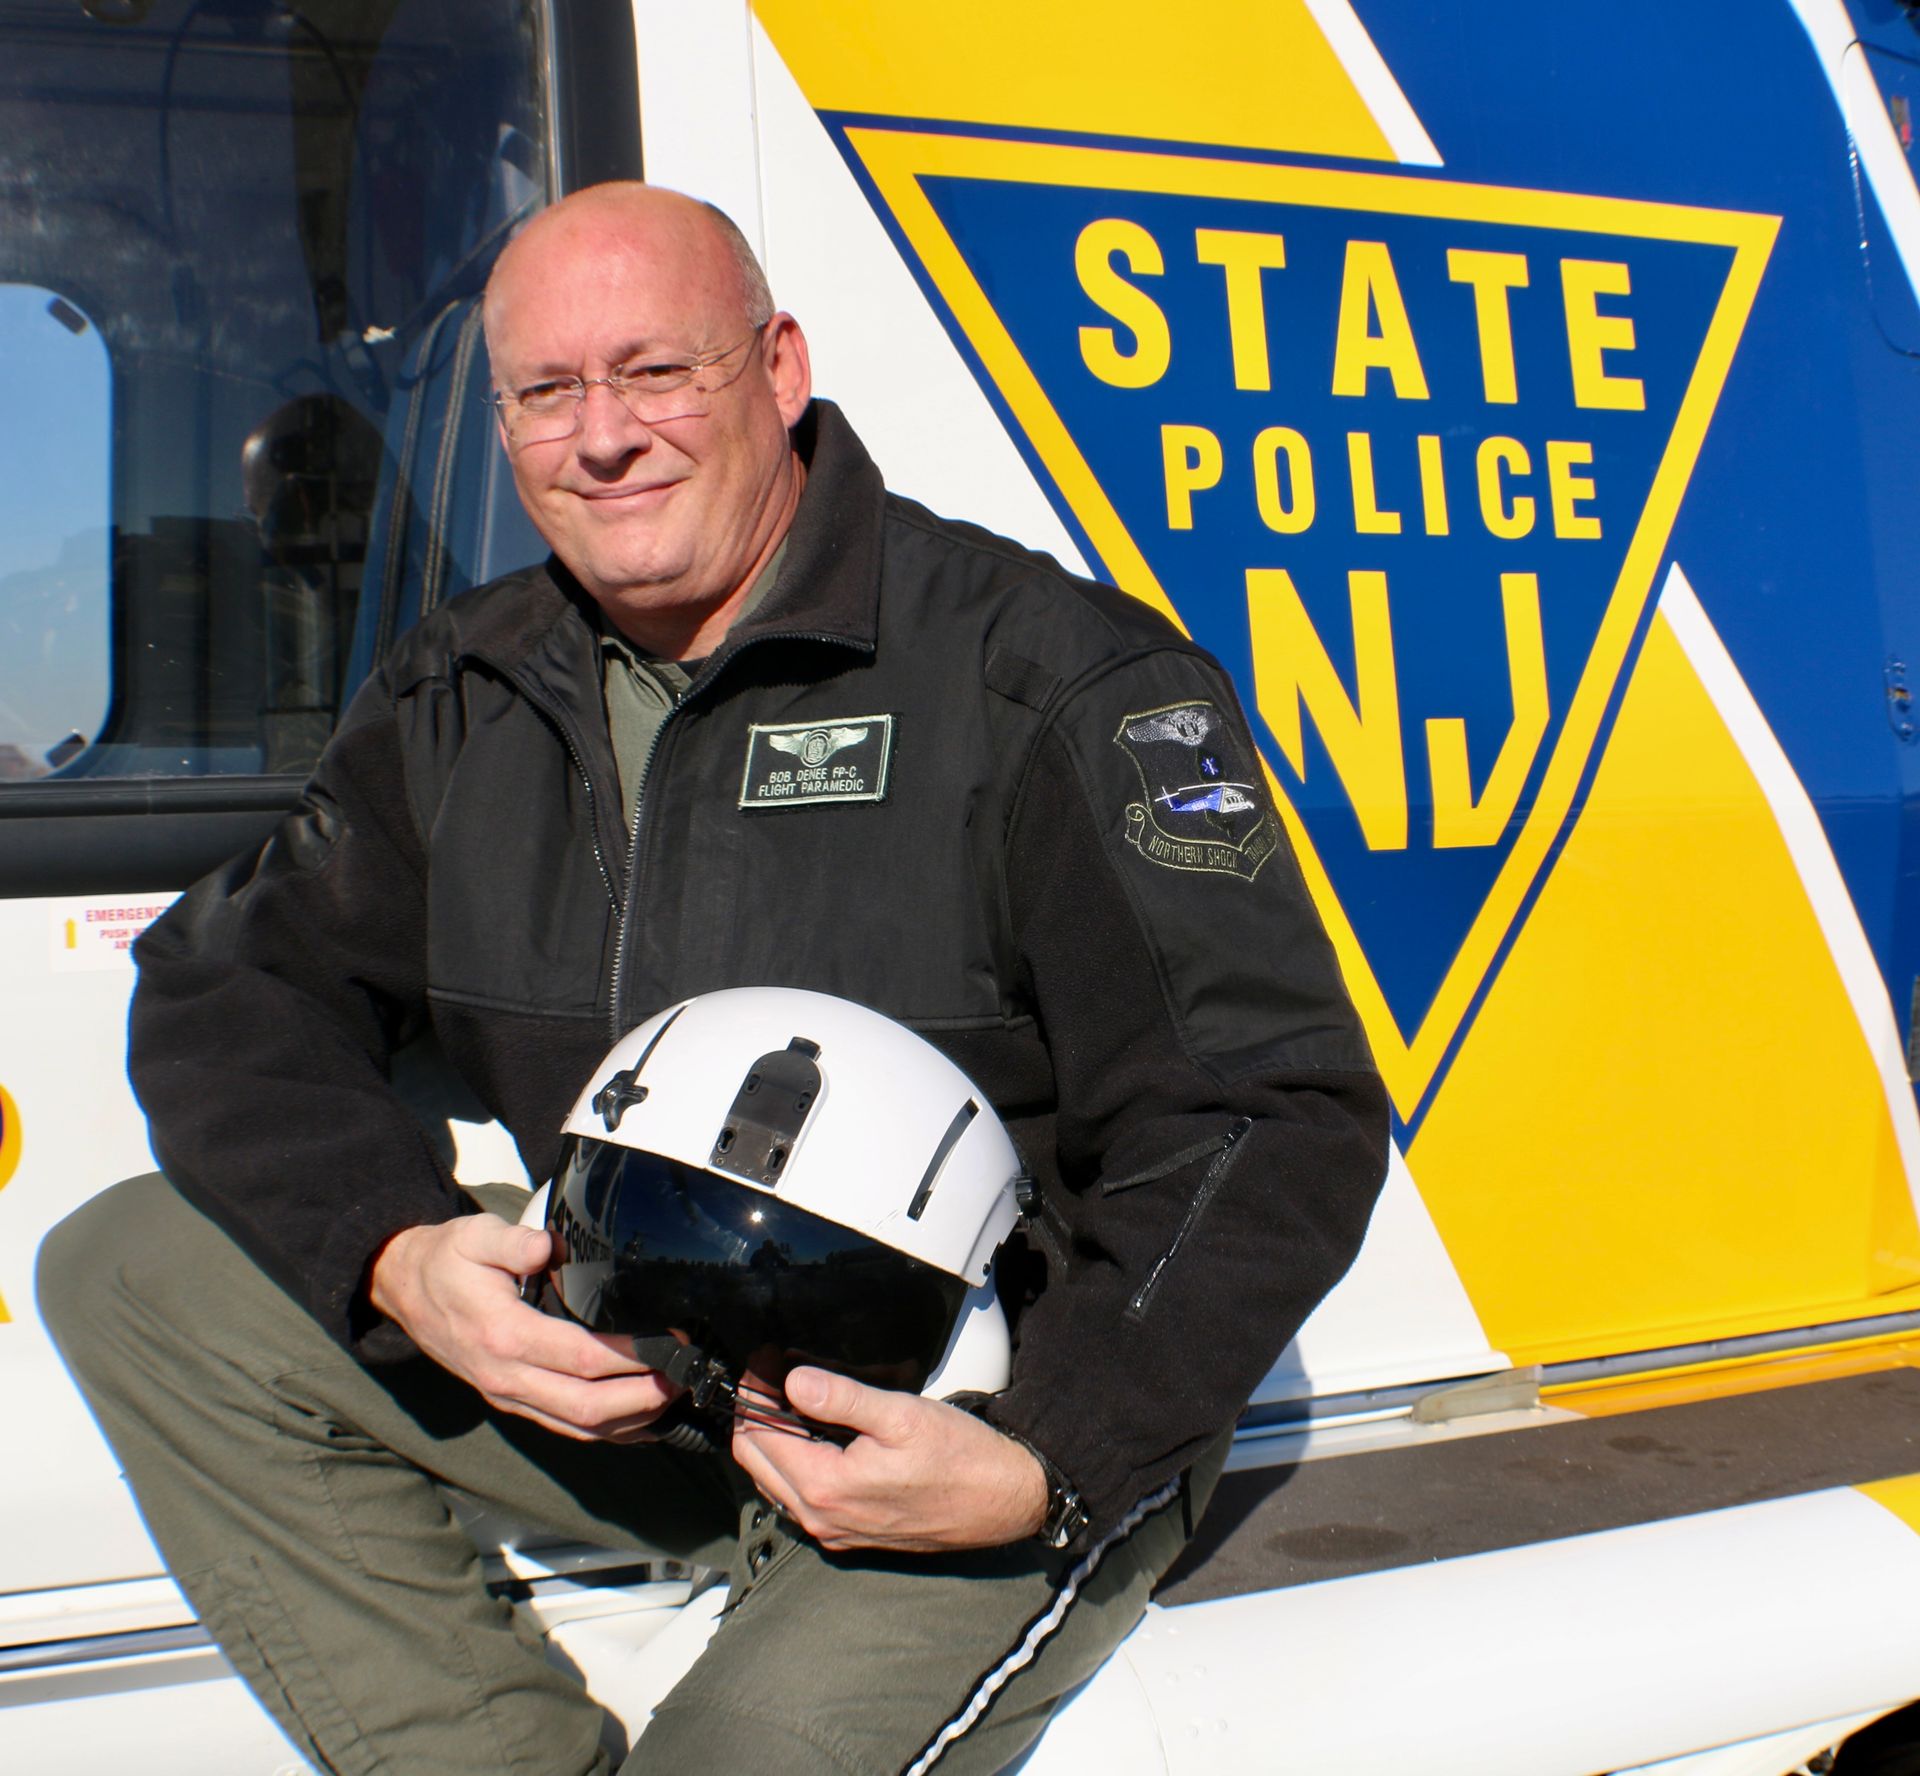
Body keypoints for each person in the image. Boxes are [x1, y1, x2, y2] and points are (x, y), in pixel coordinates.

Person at [38, 183, 1388, 1775]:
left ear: (779, 368)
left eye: (655, 371)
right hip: (633, 1379)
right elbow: (226, 988)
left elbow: (1266, 1117)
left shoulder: (1047, 671)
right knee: (131, 1268)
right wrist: (399, 1259)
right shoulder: (462, 694)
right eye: (547, 392)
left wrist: (1044, 1462)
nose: (601, 437)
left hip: (954, 1428)